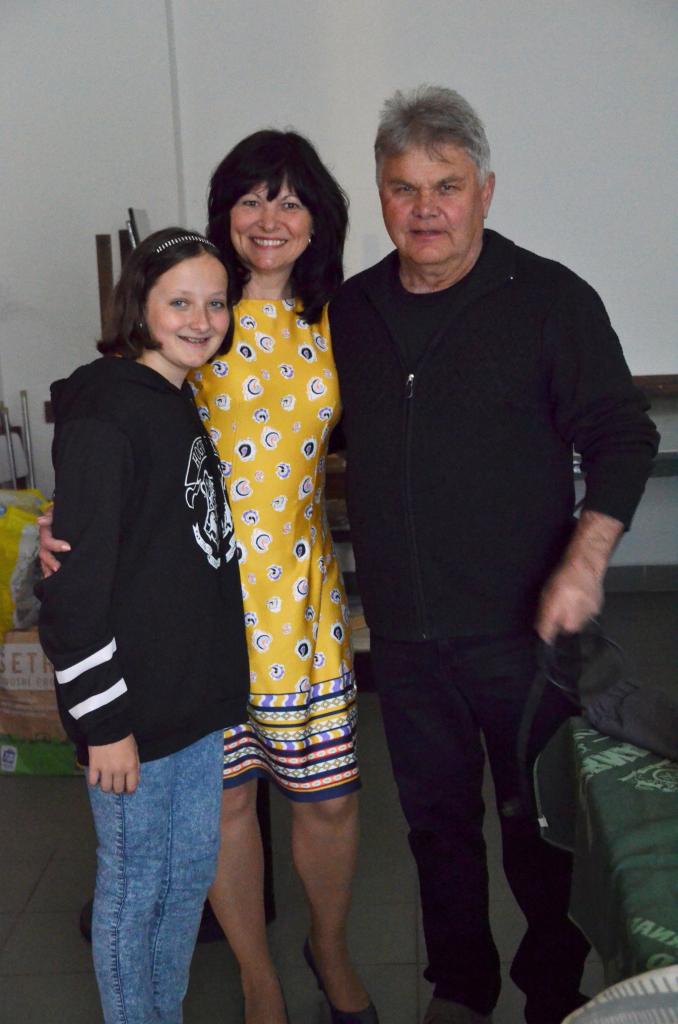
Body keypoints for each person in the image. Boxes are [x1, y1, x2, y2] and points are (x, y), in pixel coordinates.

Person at [328, 86, 659, 1024]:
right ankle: (461, 988)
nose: (425, 209)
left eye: (447, 186)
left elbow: (623, 434)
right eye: (404, 188)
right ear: (381, 196)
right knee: (436, 827)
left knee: (540, 827)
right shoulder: (351, 311)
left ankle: (552, 991)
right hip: (404, 632)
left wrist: (586, 558)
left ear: (486, 190)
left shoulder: (550, 300)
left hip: (524, 630)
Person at [39, 132, 377, 1024]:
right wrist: (66, 520)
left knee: (329, 801)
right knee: (223, 807)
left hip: (299, 603)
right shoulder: (191, 323)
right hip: (197, 613)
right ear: (225, 212)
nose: (271, 218)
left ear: (319, 221)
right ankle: (260, 982)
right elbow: (103, 414)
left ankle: (330, 950)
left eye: (292, 200)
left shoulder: (341, 320)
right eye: (252, 198)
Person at [36, 228, 250, 1024]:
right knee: (135, 889)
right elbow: (74, 592)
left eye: (215, 303)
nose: (202, 320)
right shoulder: (108, 414)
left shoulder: (170, 400)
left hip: (191, 702)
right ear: (139, 307)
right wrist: (105, 725)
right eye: (180, 302)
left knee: (185, 879)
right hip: (132, 717)